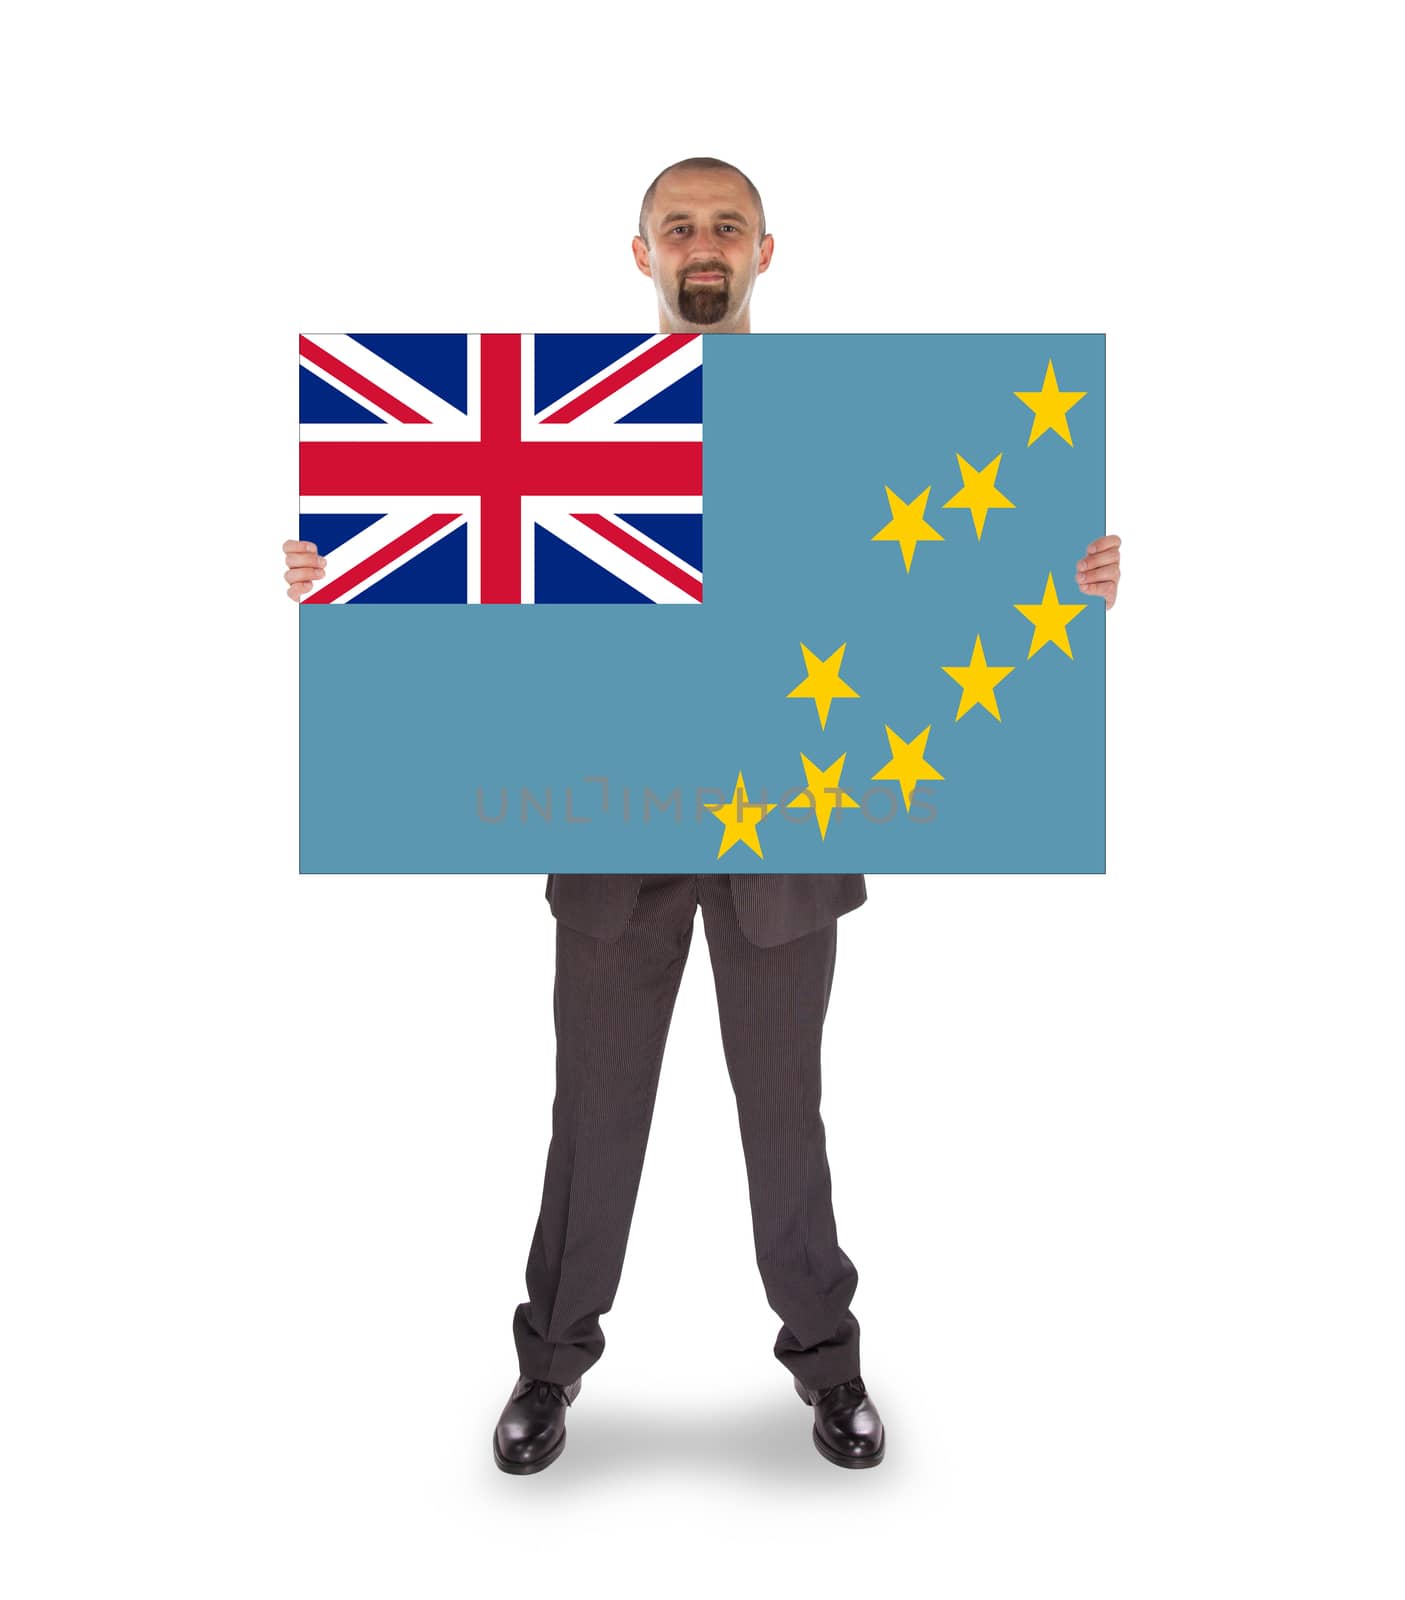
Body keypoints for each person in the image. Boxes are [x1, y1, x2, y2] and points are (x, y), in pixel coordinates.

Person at [283, 157, 1123, 1477]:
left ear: (765, 251)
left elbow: (916, 589)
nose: (703, 243)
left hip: (781, 835)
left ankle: (826, 1364)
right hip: (615, 827)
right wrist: (345, 574)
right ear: (642, 255)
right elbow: (486, 597)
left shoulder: (850, 427)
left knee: (785, 1116)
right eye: (679, 226)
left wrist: (1059, 580)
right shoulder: (572, 430)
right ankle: (547, 1367)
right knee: (593, 1115)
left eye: (724, 224)